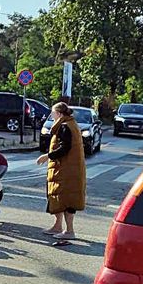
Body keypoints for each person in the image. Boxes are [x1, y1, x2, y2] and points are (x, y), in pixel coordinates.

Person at [37, 102, 87, 243]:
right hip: (64, 169)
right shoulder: (69, 124)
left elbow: (64, 149)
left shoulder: (65, 127)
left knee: (66, 199)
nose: (51, 116)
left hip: (67, 170)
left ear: (59, 114)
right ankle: (57, 226)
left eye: (53, 113)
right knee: (58, 197)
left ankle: (69, 230)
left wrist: (47, 156)